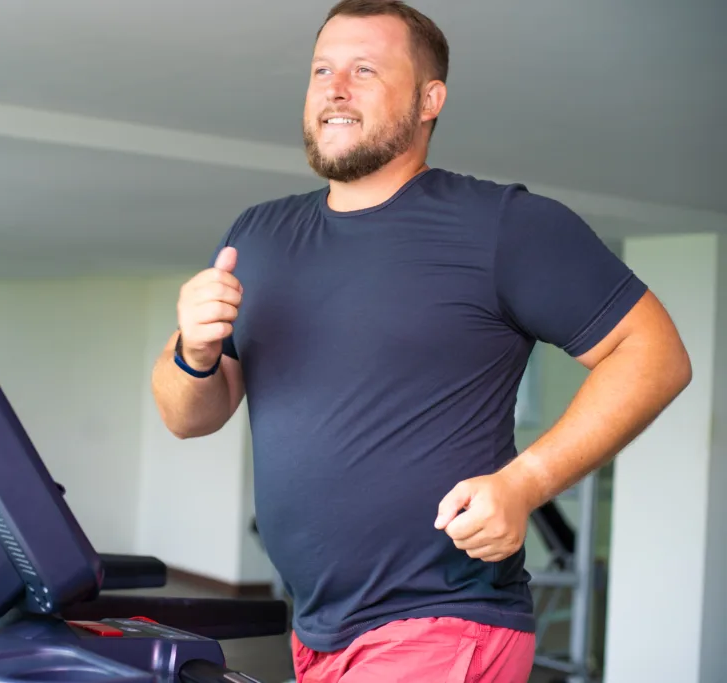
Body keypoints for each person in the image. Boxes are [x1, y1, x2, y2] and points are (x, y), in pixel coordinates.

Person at [150, 1, 692, 681]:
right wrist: (193, 354)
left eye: (365, 69)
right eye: (322, 69)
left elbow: (655, 352)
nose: (334, 87)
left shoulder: (503, 226)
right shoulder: (257, 235)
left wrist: (524, 484)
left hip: (445, 617)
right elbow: (186, 415)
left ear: (429, 98)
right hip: (316, 628)